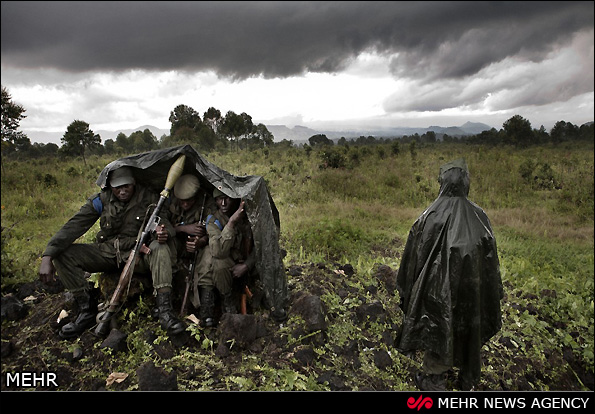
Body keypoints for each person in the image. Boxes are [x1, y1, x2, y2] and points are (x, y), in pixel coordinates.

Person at [38, 166, 186, 338]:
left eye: (127, 187)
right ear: (110, 187)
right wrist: (48, 255)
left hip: (141, 255)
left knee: (160, 249)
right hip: (110, 253)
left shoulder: (150, 198)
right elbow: (73, 226)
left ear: (134, 184)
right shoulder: (101, 200)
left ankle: (165, 311)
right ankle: (86, 311)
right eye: (118, 188)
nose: (122, 191)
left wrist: (162, 233)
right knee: (63, 255)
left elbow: (166, 224)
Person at [395, 158, 503, 391]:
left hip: (437, 295)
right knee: (468, 326)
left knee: (440, 327)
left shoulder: (428, 217)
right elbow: (490, 264)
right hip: (471, 292)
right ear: (466, 183)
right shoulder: (480, 217)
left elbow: (412, 261)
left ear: (442, 182)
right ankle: (467, 378)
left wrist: (410, 291)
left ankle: (435, 379)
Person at [195, 188, 256, 325]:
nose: (223, 203)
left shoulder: (249, 217)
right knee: (215, 261)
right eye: (218, 199)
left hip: (249, 265)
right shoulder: (213, 220)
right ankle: (226, 304)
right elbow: (218, 251)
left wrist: (247, 265)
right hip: (227, 264)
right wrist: (231, 223)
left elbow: (262, 247)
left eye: (227, 198)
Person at [168, 174, 216, 319]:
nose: (185, 205)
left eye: (188, 201)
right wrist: (184, 228)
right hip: (178, 245)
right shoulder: (171, 204)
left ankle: (207, 311)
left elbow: (215, 232)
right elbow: (164, 227)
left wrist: (200, 241)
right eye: (182, 201)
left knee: (208, 258)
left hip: (201, 247)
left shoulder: (208, 205)